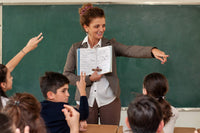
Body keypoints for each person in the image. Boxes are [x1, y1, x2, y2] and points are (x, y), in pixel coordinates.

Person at [63, 3, 169, 125]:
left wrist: (151, 51)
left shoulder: (110, 45)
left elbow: (129, 50)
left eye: (103, 25)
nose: (101, 29)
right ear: (86, 27)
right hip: (85, 100)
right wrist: (89, 79)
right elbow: (67, 75)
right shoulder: (76, 48)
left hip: (109, 100)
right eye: (96, 26)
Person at [0, 33, 43, 110]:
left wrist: (27, 48)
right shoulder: (7, 105)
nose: (12, 78)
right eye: (10, 77)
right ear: (3, 84)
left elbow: (7, 68)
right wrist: (27, 48)